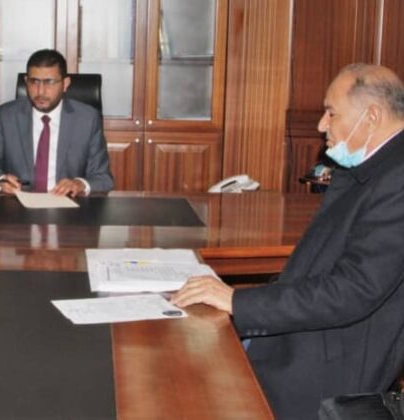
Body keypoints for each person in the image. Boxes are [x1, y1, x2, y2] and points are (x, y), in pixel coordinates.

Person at [172, 63, 404, 419]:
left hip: (324, 371)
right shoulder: (376, 168)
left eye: (331, 113)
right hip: (300, 337)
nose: (321, 125)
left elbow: (352, 291)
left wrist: (237, 300)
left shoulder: (397, 179)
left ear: (371, 116)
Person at [0, 49, 113, 197]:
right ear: (26, 81)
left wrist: (79, 184)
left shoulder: (87, 119)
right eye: (34, 82)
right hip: (18, 205)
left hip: (68, 205)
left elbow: (103, 178)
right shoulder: (5, 117)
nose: (41, 92)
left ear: (65, 84)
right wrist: (0, 181)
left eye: (49, 82)